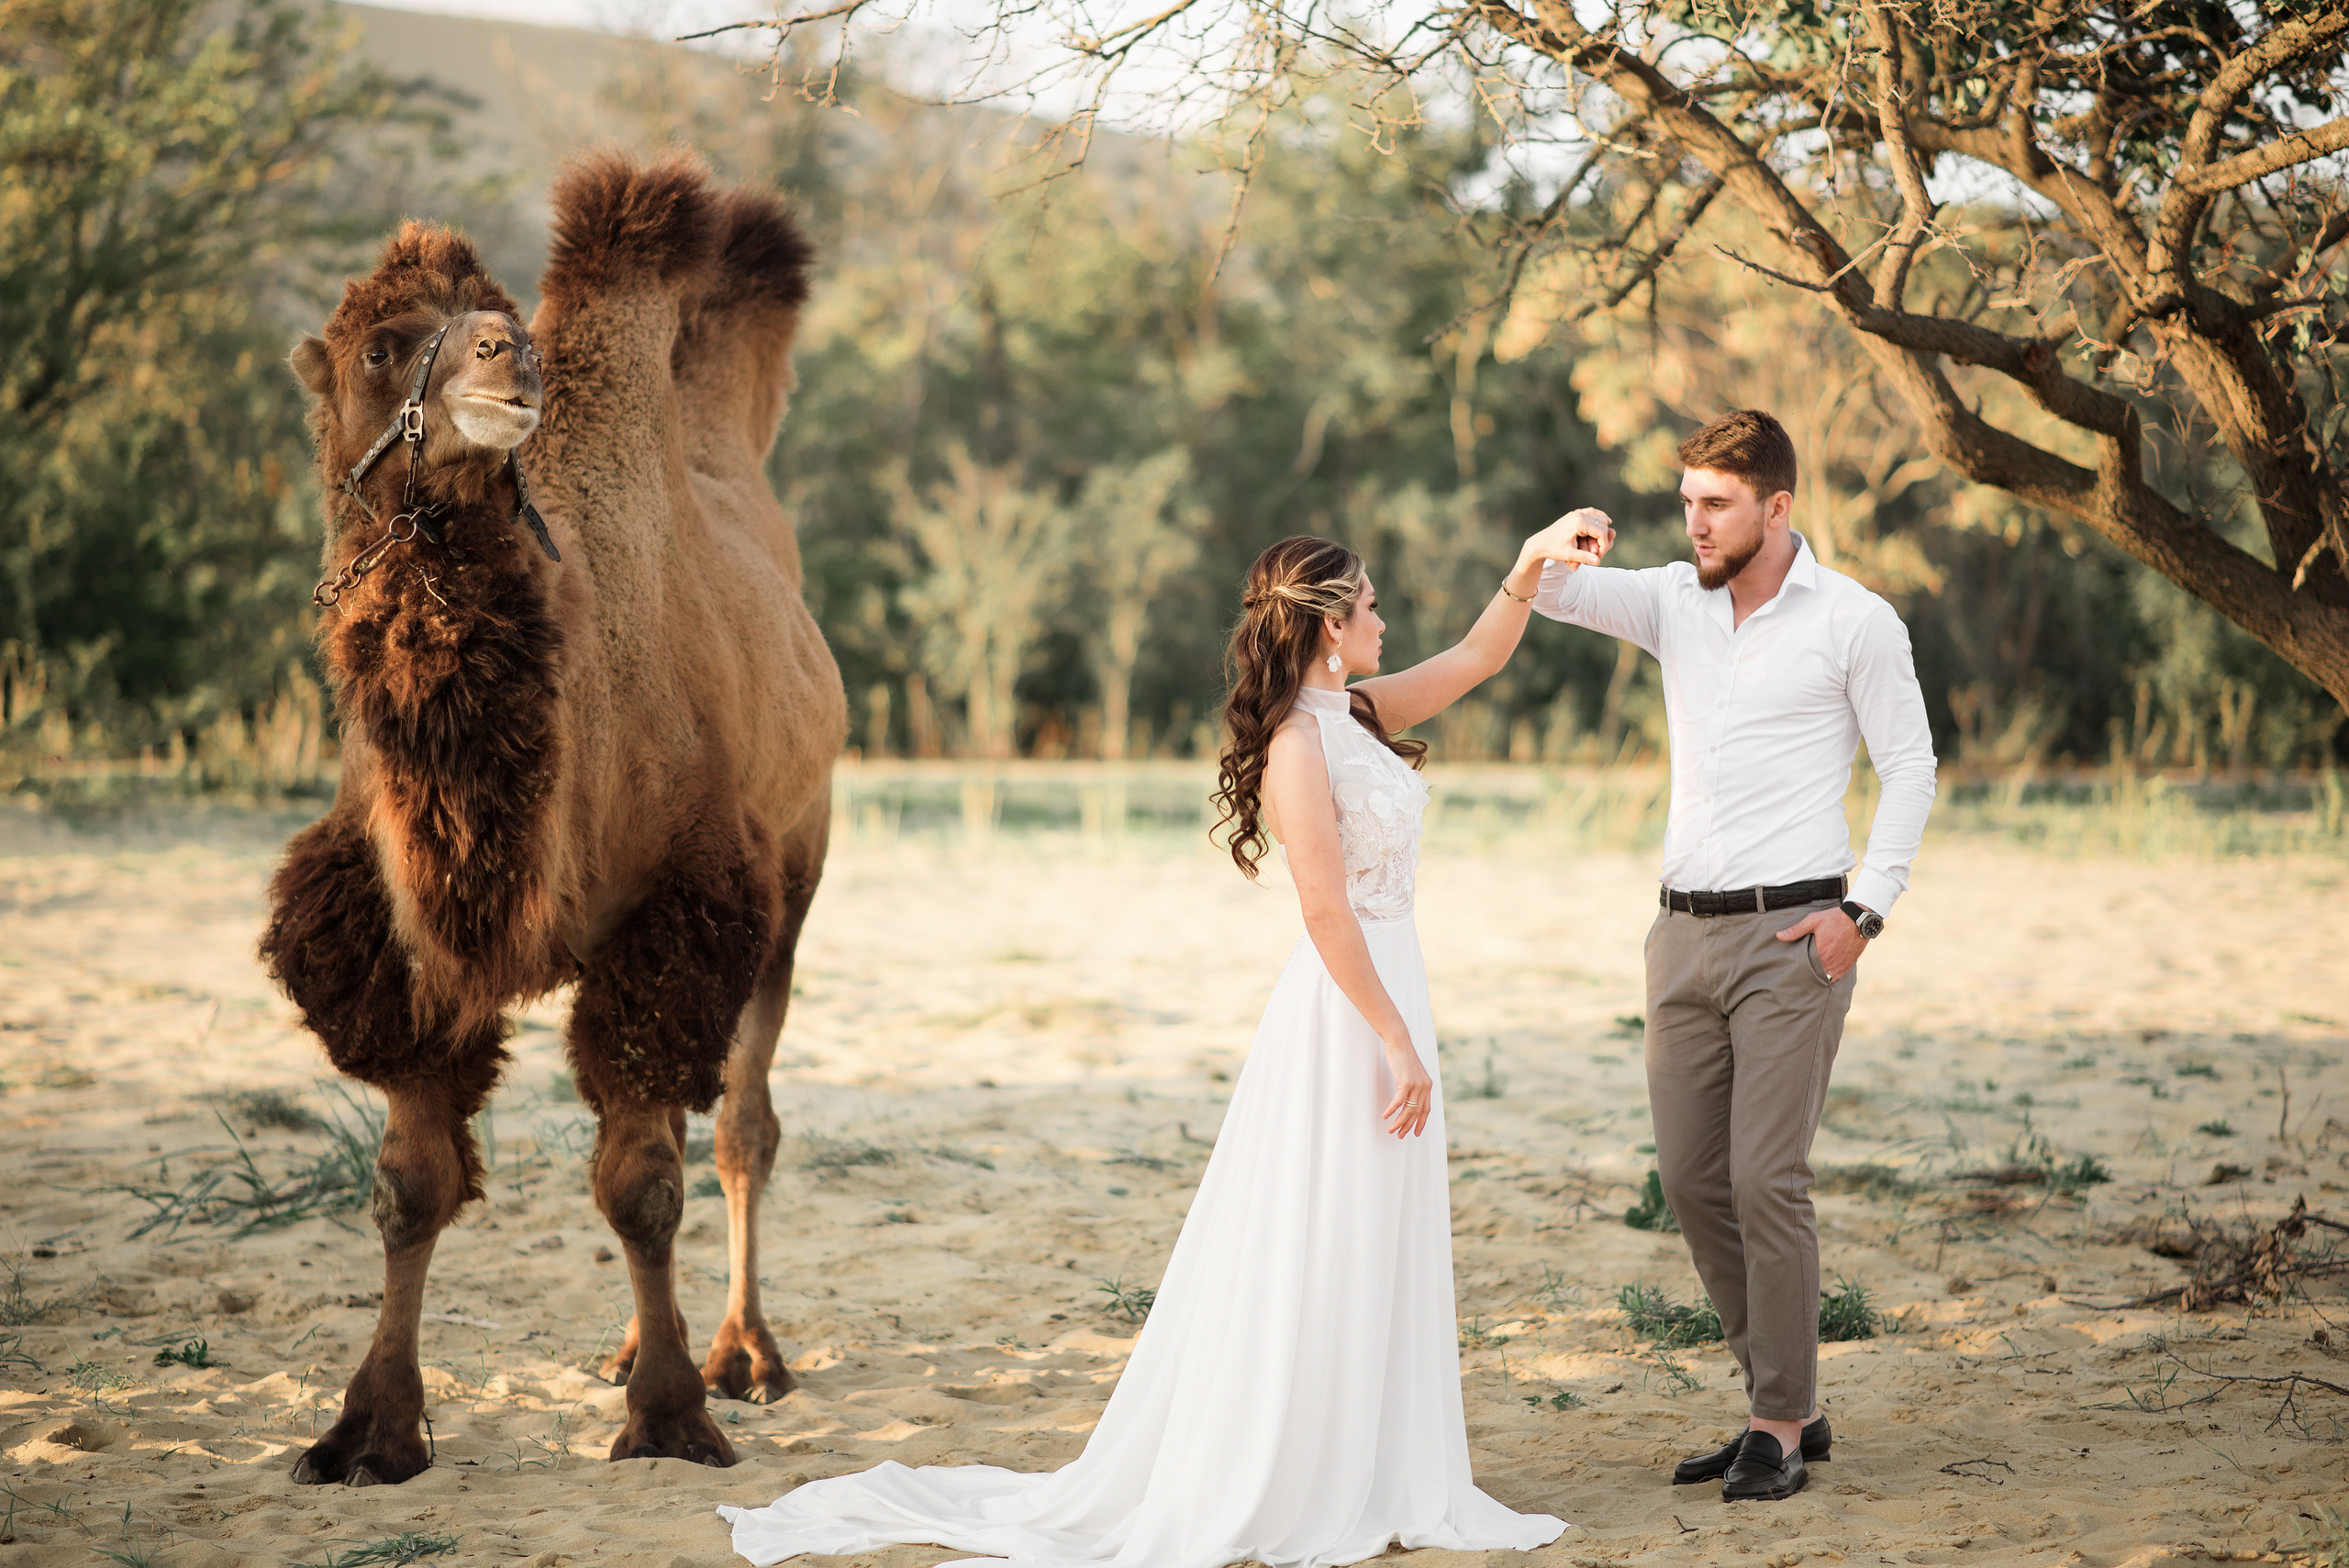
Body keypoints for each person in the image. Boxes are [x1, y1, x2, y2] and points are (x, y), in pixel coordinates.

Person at [716, 521, 1600, 1568]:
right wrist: (1399, 1041)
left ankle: (1374, 1459)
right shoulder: (1299, 747)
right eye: (1365, 605)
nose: (1382, 618)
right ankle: (1299, 1464)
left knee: (1375, 1227)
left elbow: (1478, 656)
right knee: (1322, 1225)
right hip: (1351, 1010)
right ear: (1325, 626)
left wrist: (1533, 562)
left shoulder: (1355, 712)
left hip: (1389, 983)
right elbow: (1325, 912)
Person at [1530, 409, 1937, 1504]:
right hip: (1679, 935)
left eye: (1716, 503)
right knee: (1692, 1178)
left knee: (1766, 1175)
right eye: (1686, 502)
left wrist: (1865, 911)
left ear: (1776, 506)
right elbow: (1548, 594)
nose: (1695, 522)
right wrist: (1550, 543)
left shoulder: (1854, 620)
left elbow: (1909, 766)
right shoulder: (1672, 599)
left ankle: (1773, 1422)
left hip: (1794, 934)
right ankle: (1791, 1399)